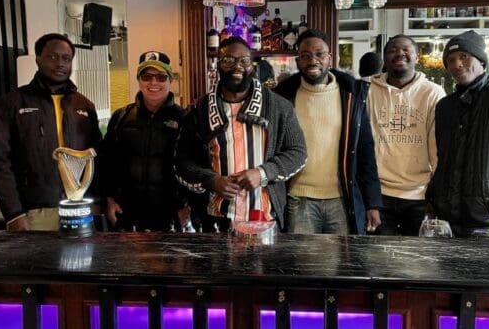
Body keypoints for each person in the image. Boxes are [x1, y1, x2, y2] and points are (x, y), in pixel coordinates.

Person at [174, 37, 306, 232]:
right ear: (217, 65)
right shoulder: (199, 110)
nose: (237, 66)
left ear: (252, 66)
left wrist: (263, 173)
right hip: (214, 220)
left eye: (244, 60)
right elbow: (182, 162)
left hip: (265, 217)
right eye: (228, 60)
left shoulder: (279, 107)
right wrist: (212, 180)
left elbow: (298, 153)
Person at [0, 33, 102, 231]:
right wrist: (13, 213)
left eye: (66, 59)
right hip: (34, 213)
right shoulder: (13, 103)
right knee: (40, 263)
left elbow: (99, 158)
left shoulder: (84, 105)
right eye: (52, 57)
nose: (60, 64)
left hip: (80, 211)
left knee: (84, 262)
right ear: (38, 59)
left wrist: (98, 201)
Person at [276, 29, 383, 235]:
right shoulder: (283, 96)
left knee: (344, 264)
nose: (312, 60)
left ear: (329, 59)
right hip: (298, 198)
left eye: (319, 54)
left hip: (342, 198)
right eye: (305, 55)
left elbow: (365, 150)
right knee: (305, 266)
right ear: (298, 62)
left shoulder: (351, 94)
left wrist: (372, 203)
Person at [428, 30, 489, 237]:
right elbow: (443, 157)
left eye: (464, 56)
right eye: (451, 60)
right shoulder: (445, 106)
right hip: (447, 217)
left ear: (481, 60)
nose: (457, 64)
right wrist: (435, 196)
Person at [99, 51, 186, 232]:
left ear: (170, 80)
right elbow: (106, 162)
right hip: (126, 215)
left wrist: (188, 206)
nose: (153, 83)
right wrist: (109, 199)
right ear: (139, 80)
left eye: (161, 77)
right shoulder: (121, 117)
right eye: (147, 77)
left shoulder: (185, 119)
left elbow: (195, 167)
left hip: (170, 217)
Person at [367, 35, 446, 236]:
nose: (399, 54)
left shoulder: (433, 93)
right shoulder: (368, 91)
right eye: (393, 50)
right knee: (380, 260)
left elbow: (438, 149)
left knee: (418, 263)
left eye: (406, 50)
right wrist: (369, 198)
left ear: (417, 56)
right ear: (384, 58)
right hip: (380, 194)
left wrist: (436, 197)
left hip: (420, 195)